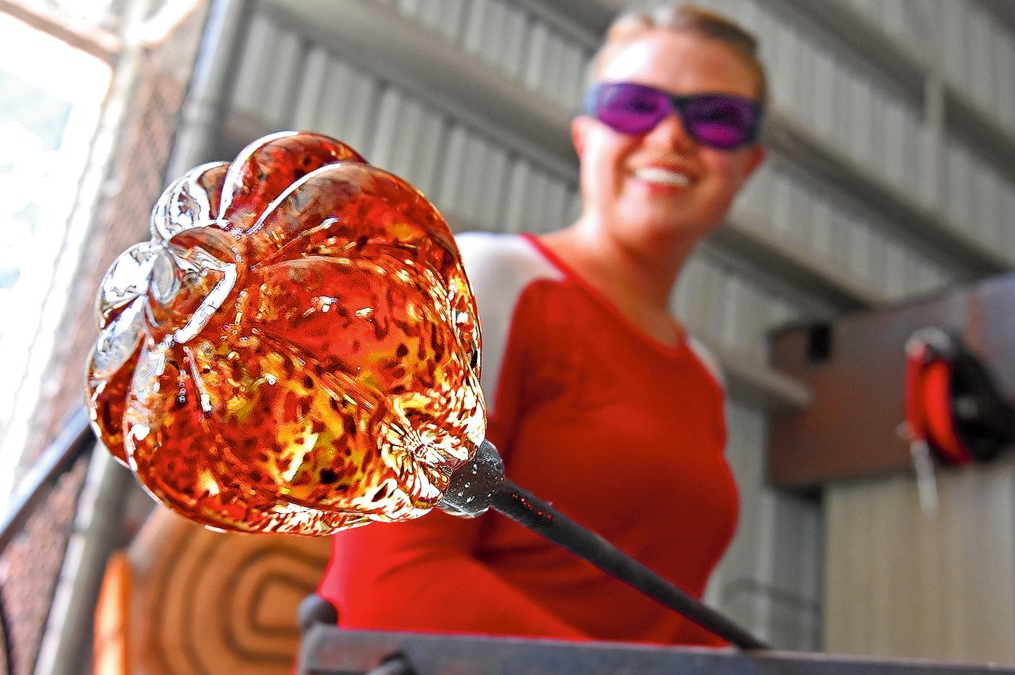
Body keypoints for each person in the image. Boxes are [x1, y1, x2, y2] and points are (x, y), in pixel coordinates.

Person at [317, 4, 767, 646]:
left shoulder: (703, 376)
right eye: (634, 105)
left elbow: (662, 623)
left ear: (749, 164)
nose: (669, 136)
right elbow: (385, 582)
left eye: (717, 119)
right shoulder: (484, 282)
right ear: (586, 137)